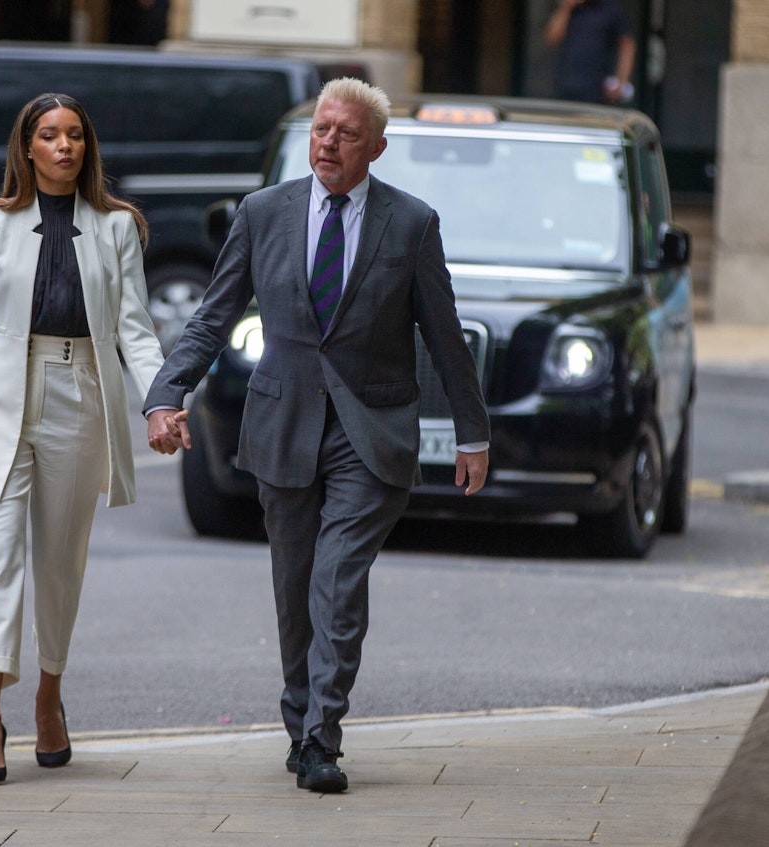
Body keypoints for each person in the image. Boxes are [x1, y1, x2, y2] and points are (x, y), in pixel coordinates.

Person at [145, 78, 490, 793]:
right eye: (322, 130)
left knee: (337, 580)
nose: (329, 142)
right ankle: (299, 721)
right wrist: (167, 393)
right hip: (284, 424)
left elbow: (445, 335)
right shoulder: (263, 212)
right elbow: (212, 315)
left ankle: (322, 736)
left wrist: (471, 432)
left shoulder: (412, 223)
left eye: (347, 134)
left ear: (378, 148)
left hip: (373, 429)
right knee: (295, 584)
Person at [0, 92, 168, 786]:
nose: (64, 146)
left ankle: (48, 692)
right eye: (49, 135)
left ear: (86, 148)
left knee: (60, 562)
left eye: (74, 136)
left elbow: (136, 330)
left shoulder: (118, 226)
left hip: (79, 394)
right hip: (0, 398)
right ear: (27, 147)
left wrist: (161, 403)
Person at [545, 0, 637, 104]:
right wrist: (566, 8)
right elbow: (552, 38)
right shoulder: (571, 9)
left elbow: (627, 45)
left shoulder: (611, 9)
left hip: (596, 88)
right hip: (565, 84)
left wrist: (621, 82)